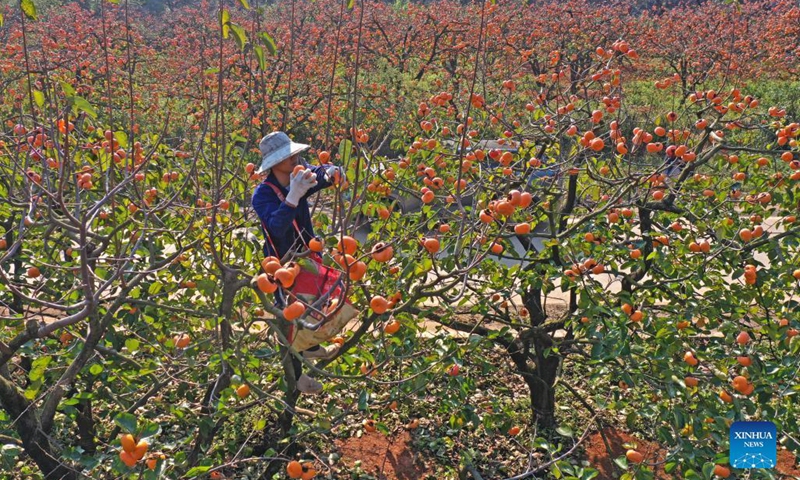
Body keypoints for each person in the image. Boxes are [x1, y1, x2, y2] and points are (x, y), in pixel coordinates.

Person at [252, 131, 346, 394]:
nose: (294, 158)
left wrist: (331, 172)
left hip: (306, 255)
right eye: (288, 156)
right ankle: (297, 378)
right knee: (290, 321)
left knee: (316, 305)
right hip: (281, 265)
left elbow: (322, 171)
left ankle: (312, 348)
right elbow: (277, 228)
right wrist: (293, 197)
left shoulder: (299, 174)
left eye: (293, 153)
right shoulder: (262, 195)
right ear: (274, 163)